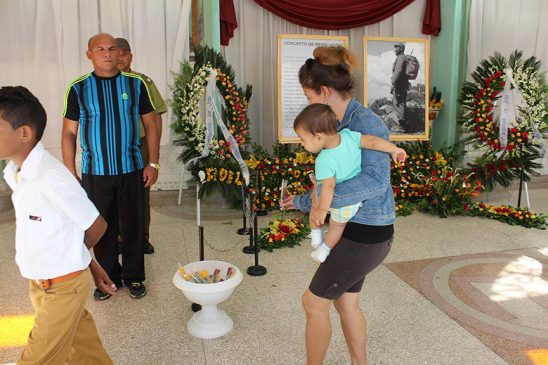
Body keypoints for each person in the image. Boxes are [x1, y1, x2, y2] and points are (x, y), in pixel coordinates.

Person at [281, 46, 396, 365]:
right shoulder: (333, 124)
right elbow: (328, 186)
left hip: (367, 232)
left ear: (325, 91)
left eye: (308, 96)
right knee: (346, 303)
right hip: (353, 229)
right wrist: (305, 201)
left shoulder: (367, 123)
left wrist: (317, 202)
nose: (307, 104)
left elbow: (375, 183)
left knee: (313, 302)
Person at [0, 86, 116, 364]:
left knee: (36, 359)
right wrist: (91, 263)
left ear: (24, 133)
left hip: (62, 288)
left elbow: (96, 224)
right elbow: (63, 231)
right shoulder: (14, 172)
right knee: (85, 352)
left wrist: (78, 262)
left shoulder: (51, 177)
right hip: (40, 283)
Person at [62, 33, 160, 300]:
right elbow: (69, 132)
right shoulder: (78, 88)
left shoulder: (136, 84)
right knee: (102, 228)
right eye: (100, 49)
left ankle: (135, 276)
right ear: (89, 54)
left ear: (119, 53)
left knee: (133, 225)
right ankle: (107, 279)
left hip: (132, 169)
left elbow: (151, 124)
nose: (107, 53)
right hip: (96, 172)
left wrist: (152, 162)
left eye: (111, 49)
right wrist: (70, 170)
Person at [293, 104, 406, 263]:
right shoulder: (348, 136)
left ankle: (321, 245)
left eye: (302, 139)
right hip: (356, 198)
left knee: (326, 217)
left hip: (340, 200)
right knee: (337, 225)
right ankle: (321, 245)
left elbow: (329, 187)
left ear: (319, 137)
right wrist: (394, 150)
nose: (302, 144)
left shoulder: (323, 160)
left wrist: (322, 210)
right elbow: (373, 141)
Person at [116, 37, 167, 255]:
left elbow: (156, 119)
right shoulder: (102, 82)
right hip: (115, 143)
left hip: (141, 142)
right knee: (115, 192)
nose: (120, 57)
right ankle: (118, 237)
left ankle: (142, 238)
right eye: (115, 53)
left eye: (125, 53)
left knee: (140, 192)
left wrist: (153, 159)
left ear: (131, 56)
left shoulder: (143, 82)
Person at [391, 42, 409, 125]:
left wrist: (393, 82)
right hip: (402, 84)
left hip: (399, 85)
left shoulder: (401, 57)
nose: (395, 49)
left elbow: (398, 71)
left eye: (397, 47)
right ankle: (402, 123)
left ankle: (401, 126)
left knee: (398, 103)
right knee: (400, 102)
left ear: (401, 49)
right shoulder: (401, 57)